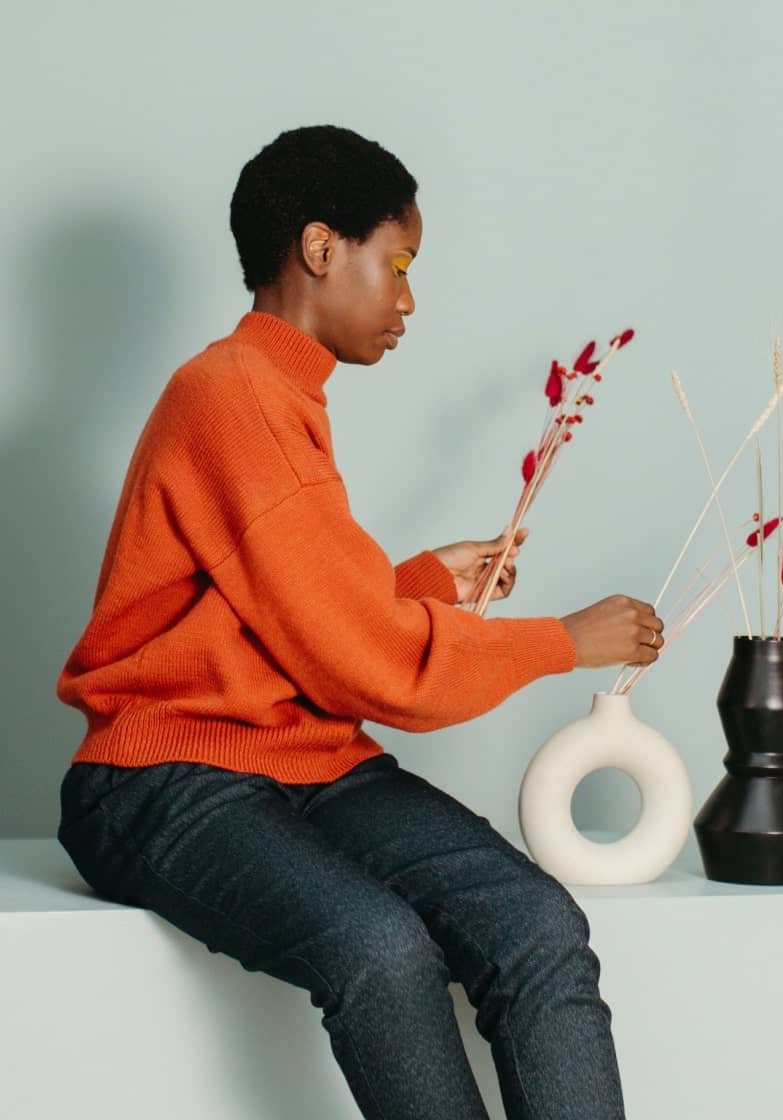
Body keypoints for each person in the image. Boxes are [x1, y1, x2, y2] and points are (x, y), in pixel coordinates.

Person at [54, 124, 664, 1120]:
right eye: (400, 261)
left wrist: (419, 582)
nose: (409, 298)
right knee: (379, 947)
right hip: (164, 779)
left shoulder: (274, 393)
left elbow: (277, 606)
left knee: (535, 922)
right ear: (322, 247)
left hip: (304, 761)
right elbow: (369, 667)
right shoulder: (231, 395)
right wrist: (564, 640)